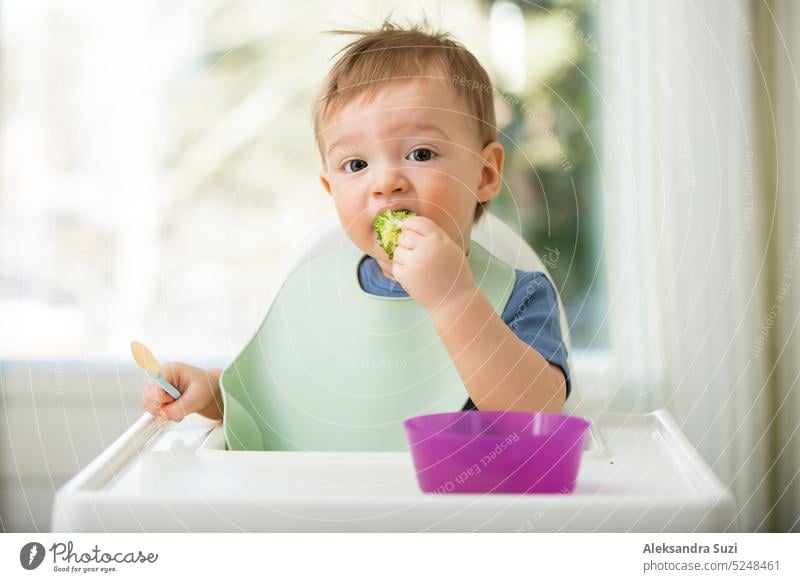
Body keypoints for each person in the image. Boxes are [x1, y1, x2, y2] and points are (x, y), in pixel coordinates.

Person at [141, 20, 571, 428]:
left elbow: (538, 416)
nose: (385, 183)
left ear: (485, 174)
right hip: (326, 502)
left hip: (456, 503)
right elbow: (277, 401)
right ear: (331, 188)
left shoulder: (521, 296)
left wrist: (454, 300)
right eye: (356, 163)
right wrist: (213, 393)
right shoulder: (311, 297)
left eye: (421, 154)